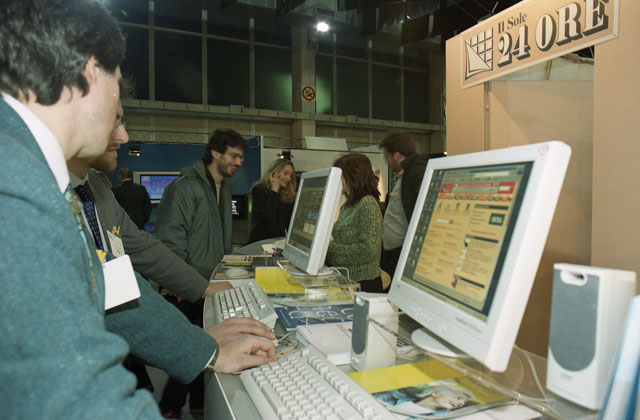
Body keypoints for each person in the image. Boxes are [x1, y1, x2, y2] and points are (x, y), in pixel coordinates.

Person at [0, 1, 274, 418]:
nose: (124, 134)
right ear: (91, 70)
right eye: (117, 83)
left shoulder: (31, 174)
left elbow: (112, 286)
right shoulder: (18, 192)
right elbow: (77, 401)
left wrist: (202, 348)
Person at [66, 98, 275, 396]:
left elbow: (141, 249)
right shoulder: (40, 199)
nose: (124, 136)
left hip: (113, 358)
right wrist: (202, 348)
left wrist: (203, 288)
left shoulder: (96, 187)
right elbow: (107, 284)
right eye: (114, 120)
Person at [155, 128, 247, 417]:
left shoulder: (223, 189)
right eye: (234, 156)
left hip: (210, 282)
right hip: (187, 284)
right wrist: (178, 282)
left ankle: (197, 403)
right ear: (215, 153)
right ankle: (169, 406)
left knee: (204, 343)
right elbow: (171, 236)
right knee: (191, 347)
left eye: (241, 157)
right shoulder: (185, 188)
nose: (238, 162)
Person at [378, 132, 445, 278]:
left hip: (406, 253)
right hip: (398, 252)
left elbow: (424, 210)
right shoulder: (407, 172)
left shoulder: (416, 172)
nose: (387, 161)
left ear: (397, 155)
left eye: (387, 157)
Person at [325, 154, 384, 292]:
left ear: (353, 176)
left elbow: (369, 250)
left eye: (340, 174)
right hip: (348, 282)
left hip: (363, 285)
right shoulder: (347, 207)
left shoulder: (367, 204)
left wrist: (328, 251)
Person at [248, 159, 297, 243]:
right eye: (285, 173)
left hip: (278, 242)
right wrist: (274, 190)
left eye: (291, 175)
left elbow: (288, 224)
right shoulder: (259, 190)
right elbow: (268, 217)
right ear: (275, 173)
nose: (289, 178)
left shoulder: (288, 196)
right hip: (260, 241)